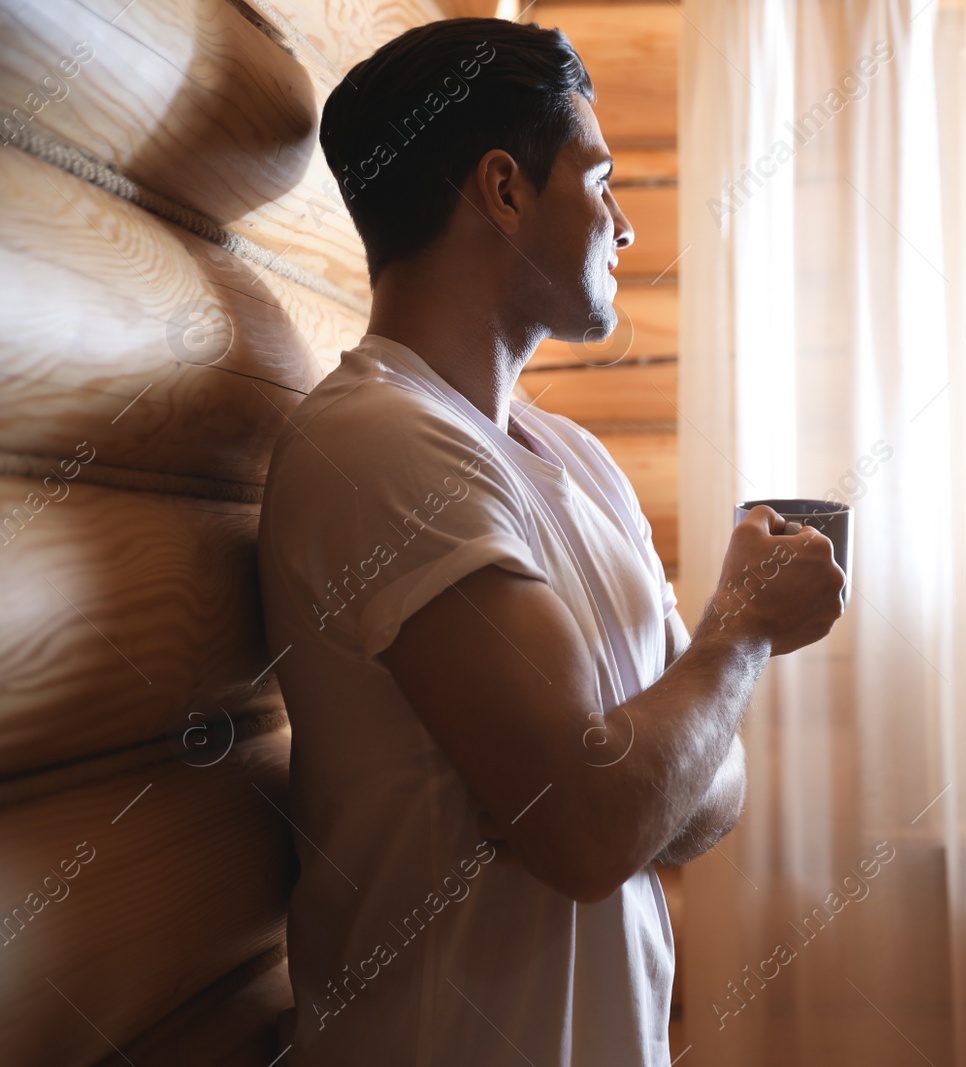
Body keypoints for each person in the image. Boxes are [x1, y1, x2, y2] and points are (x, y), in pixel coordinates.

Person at [256, 18, 845, 1066]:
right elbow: (588, 829)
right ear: (504, 189)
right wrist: (739, 636)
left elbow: (704, 795)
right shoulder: (378, 444)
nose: (623, 224)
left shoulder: (574, 459)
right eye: (601, 177)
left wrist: (637, 749)